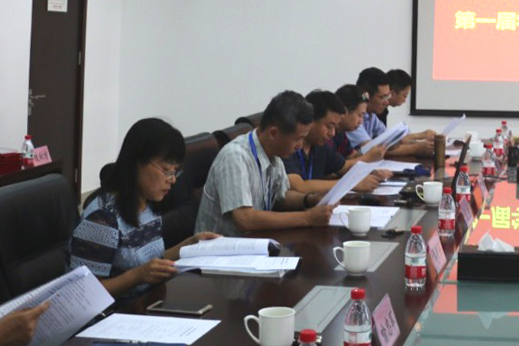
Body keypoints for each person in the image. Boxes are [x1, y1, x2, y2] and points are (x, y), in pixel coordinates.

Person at [69, 119, 219, 298]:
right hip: (116, 311)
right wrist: (136, 276)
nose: (172, 180)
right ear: (137, 162)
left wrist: (191, 244)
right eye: (166, 170)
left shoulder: (148, 204)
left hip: (148, 300)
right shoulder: (102, 218)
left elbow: (152, 261)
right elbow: (83, 292)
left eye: (175, 171)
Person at [195, 91, 336, 236]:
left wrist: (309, 199)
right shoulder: (235, 157)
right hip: (220, 246)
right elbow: (244, 219)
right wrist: (307, 218)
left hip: (254, 240)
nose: (300, 146)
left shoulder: (274, 153)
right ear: (273, 133)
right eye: (297, 139)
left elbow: (280, 197)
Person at [284, 90, 392, 194]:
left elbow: (344, 167)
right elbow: (299, 187)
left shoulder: (321, 146)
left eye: (335, 127)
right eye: (329, 126)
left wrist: (371, 171)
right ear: (310, 120)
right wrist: (350, 183)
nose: (333, 133)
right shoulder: (288, 146)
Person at [349, 67, 434, 157]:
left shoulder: (372, 116)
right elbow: (371, 150)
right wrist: (415, 148)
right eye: (382, 97)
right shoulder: (352, 117)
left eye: (387, 97)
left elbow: (391, 140)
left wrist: (423, 144)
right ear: (366, 96)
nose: (386, 102)